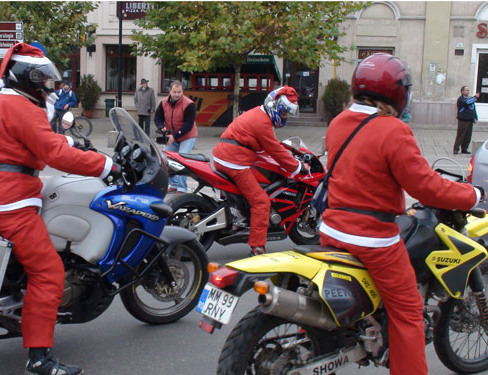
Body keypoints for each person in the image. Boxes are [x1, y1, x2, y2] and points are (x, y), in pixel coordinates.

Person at [318, 53, 484, 375]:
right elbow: (426, 188)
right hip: (371, 240)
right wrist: (472, 194)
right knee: (407, 310)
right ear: (399, 92)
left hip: (332, 229)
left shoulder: (339, 122)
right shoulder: (392, 130)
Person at [0, 43, 119, 375]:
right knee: (48, 273)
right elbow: (53, 155)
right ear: (27, 77)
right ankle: (39, 359)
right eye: (44, 79)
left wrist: (72, 142)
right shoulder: (23, 107)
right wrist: (106, 166)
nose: (49, 85)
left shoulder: (1, 103)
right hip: (10, 202)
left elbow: (32, 141)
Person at [212, 86, 305, 256]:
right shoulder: (262, 122)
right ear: (275, 106)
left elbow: (264, 146)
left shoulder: (257, 113)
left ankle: (240, 213)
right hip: (234, 161)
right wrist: (298, 167)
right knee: (261, 201)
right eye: (284, 113)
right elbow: (274, 149)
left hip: (225, 155)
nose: (284, 117)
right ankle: (257, 247)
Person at [154, 80, 197, 193]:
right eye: (174, 92)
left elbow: (189, 124)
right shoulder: (163, 102)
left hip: (187, 136)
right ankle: (173, 184)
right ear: (170, 91)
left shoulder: (189, 104)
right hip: (171, 135)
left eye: (179, 92)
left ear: (182, 91)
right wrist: (161, 128)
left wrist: (174, 136)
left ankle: (182, 188)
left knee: (181, 161)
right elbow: (157, 118)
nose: (177, 94)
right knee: (166, 160)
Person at [454, 85, 480, 155]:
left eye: (468, 90)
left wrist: (475, 117)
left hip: (470, 120)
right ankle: (456, 149)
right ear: (462, 91)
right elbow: (467, 103)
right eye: (467, 90)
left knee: (468, 136)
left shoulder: (470, 98)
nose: (468, 91)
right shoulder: (461, 99)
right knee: (461, 135)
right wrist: (475, 97)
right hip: (463, 120)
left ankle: (464, 149)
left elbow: (473, 108)